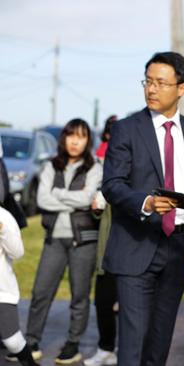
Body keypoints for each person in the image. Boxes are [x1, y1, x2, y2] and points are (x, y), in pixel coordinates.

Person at [101, 51, 184, 366]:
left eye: (161, 83)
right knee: (133, 344)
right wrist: (146, 203)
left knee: (159, 344)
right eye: (147, 81)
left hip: (177, 248)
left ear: (182, 87)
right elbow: (112, 184)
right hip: (135, 245)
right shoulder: (126, 129)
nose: (151, 89)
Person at [24, 118, 102, 364]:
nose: (75, 141)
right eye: (71, 136)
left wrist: (58, 194)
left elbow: (89, 197)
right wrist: (73, 198)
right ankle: (32, 340)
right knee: (40, 291)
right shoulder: (50, 166)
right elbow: (43, 201)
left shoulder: (95, 166)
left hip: (84, 239)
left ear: (88, 140)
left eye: (81, 136)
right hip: (54, 238)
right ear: (64, 138)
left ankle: (73, 343)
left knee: (79, 295)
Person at [84, 116, 118, 366]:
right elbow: (99, 208)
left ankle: (129, 350)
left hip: (135, 248)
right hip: (108, 246)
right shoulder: (102, 166)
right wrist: (96, 208)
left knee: (130, 307)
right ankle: (106, 348)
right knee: (104, 301)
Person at [0, 207, 38, 366]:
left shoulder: (4, 216)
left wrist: (2, 230)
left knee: (12, 341)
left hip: (2, 291)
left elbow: (17, 252)